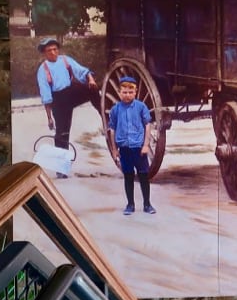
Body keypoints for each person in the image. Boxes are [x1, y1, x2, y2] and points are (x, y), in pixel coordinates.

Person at [35, 37, 103, 178]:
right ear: (44, 53)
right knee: (62, 133)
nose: (53, 53)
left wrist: (90, 79)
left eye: (55, 49)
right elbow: (46, 96)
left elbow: (82, 71)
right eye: (49, 51)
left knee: (92, 89)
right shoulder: (43, 70)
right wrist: (49, 118)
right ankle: (61, 168)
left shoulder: (65, 60)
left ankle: (105, 114)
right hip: (58, 100)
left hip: (70, 92)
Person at [106, 76, 156, 215]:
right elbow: (112, 129)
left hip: (138, 148)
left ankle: (147, 204)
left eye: (130, 92)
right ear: (119, 92)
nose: (127, 95)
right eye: (124, 92)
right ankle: (130, 204)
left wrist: (146, 145)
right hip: (124, 149)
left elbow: (147, 125)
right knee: (128, 176)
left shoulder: (141, 107)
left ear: (135, 92)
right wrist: (114, 149)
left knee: (143, 176)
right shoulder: (115, 109)